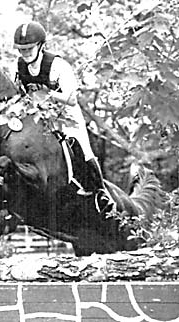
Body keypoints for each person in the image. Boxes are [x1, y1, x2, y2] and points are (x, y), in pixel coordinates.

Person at [13, 21, 114, 214]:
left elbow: (72, 99)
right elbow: (20, 92)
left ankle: (101, 195)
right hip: (38, 115)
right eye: (21, 49)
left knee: (82, 147)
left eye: (28, 48)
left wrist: (47, 93)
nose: (24, 53)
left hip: (65, 115)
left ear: (41, 45)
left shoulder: (57, 65)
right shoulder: (19, 65)